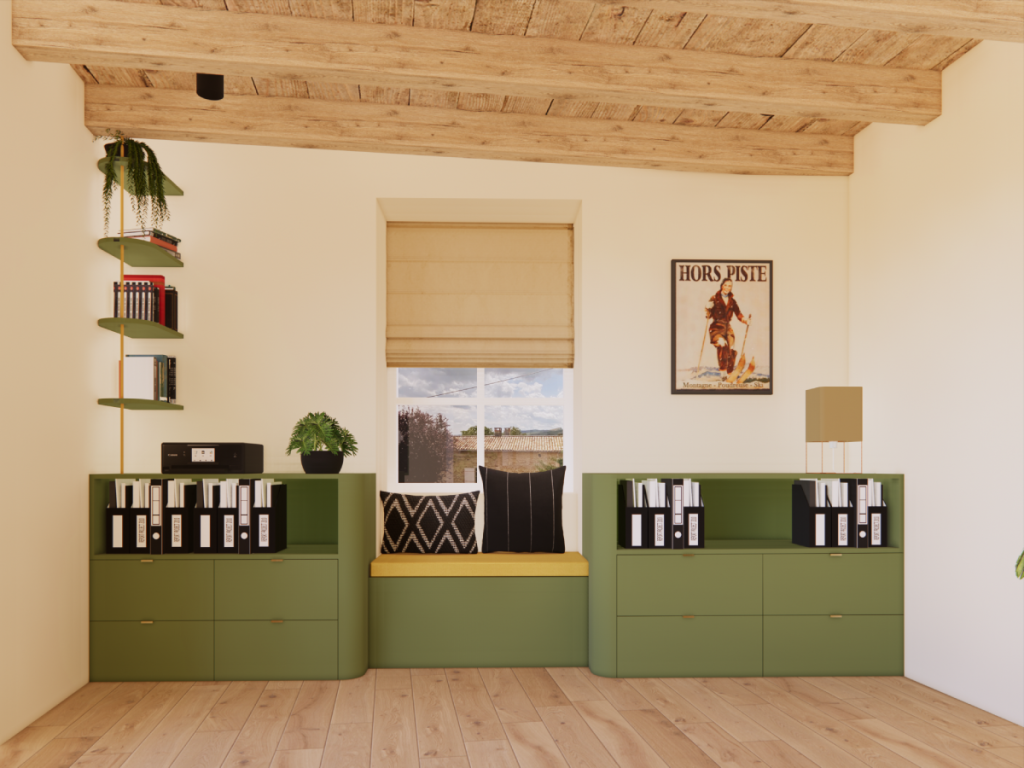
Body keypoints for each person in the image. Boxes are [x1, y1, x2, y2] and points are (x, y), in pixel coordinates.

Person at [705, 278, 749, 376]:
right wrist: (707, 308)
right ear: (722, 286)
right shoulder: (714, 298)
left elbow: (738, 314)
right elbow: (708, 315)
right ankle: (723, 371)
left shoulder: (732, 301)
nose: (727, 288)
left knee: (730, 348)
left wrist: (745, 320)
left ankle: (730, 373)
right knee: (722, 345)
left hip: (727, 327)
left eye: (729, 286)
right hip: (716, 327)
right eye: (725, 285)